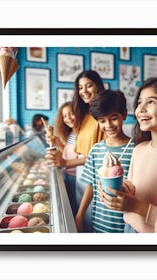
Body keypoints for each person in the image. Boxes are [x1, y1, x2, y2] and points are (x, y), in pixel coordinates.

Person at [99, 77, 157, 233]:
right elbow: (133, 186)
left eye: (151, 102)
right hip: (129, 228)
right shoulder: (139, 149)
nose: (141, 109)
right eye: (139, 102)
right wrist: (118, 190)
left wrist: (137, 207)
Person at [46, 70, 106, 232]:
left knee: (90, 225)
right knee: (84, 225)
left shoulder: (101, 117)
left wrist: (65, 162)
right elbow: (80, 152)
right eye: (80, 87)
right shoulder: (85, 116)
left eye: (89, 86)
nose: (84, 91)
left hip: (94, 180)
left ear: (99, 86)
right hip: (82, 176)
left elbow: (98, 157)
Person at [75, 90, 135, 233]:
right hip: (99, 223)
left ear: (124, 114)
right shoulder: (96, 150)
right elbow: (91, 186)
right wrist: (79, 215)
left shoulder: (136, 149)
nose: (108, 125)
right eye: (102, 121)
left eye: (113, 118)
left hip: (127, 225)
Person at [54, 101, 79, 216]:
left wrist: (64, 162)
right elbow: (67, 152)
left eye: (71, 113)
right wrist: (58, 143)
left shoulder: (81, 133)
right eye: (64, 116)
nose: (68, 118)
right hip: (66, 174)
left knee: (75, 208)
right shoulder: (70, 134)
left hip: (77, 177)